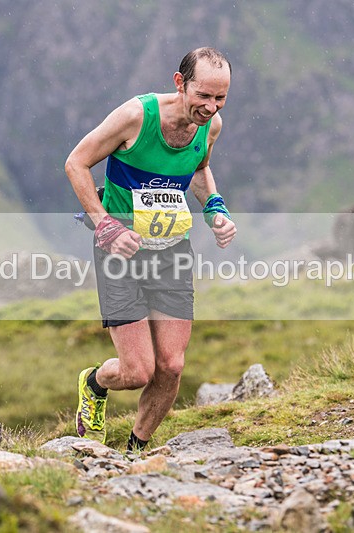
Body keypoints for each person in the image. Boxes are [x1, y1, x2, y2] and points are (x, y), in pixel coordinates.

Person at [65, 47, 237, 453]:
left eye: (221, 98)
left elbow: (198, 169)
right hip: (120, 253)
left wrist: (215, 208)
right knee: (138, 370)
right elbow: (76, 163)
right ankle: (94, 383)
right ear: (180, 83)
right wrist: (105, 225)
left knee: (172, 366)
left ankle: (135, 451)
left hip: (171, 252)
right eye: (204, 96)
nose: (211, 107)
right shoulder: (136, 117)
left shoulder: (210, 127)